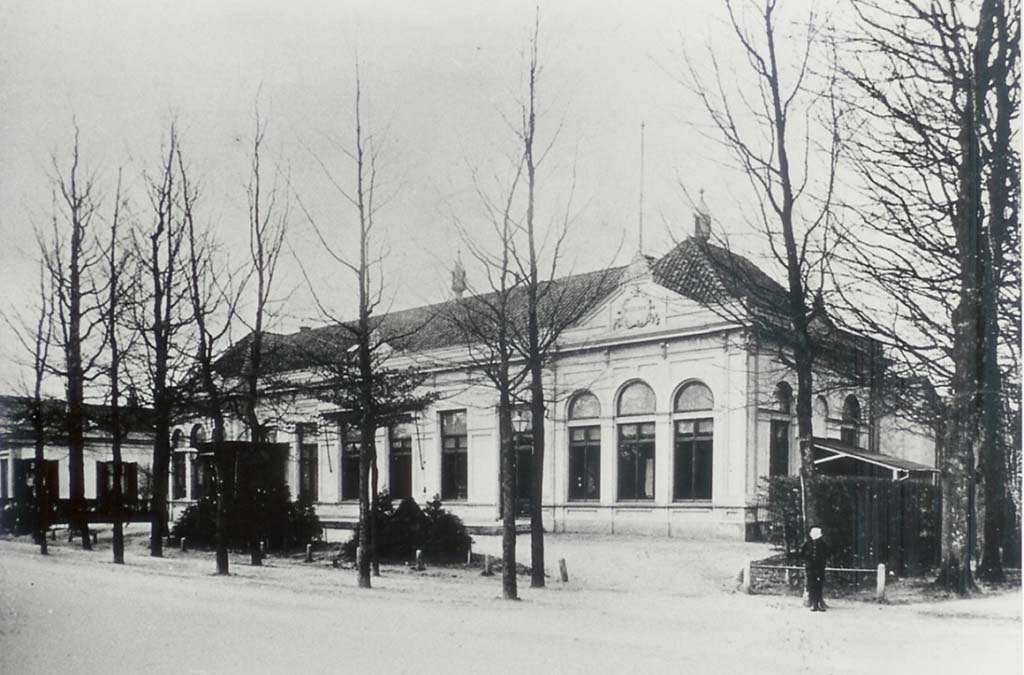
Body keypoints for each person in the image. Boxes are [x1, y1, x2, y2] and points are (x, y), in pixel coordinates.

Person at [801, 526, 829, 612]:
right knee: (811, 586)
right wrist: (807, 562)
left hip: (820, 568)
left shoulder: (823, 544)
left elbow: (827, 554)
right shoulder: (807, 544)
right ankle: (814, 603)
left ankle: (819, 603)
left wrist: (822, 561)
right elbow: (802, 554)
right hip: (810, 569)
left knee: (819, 586)